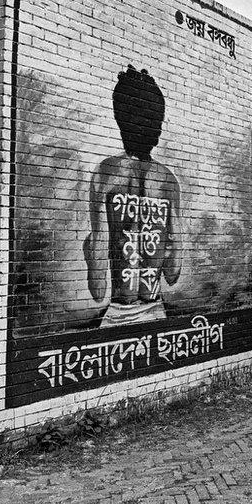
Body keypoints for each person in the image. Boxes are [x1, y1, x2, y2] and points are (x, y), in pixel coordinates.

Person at [84, 65, 182, 327]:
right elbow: (173, 274)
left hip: (117, 316)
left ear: (120, 120)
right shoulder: (168, 181)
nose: (158, 130)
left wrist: (90, 247)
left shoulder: (105, 174)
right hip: (155, 314)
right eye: (156, 121)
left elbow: (97, 290)